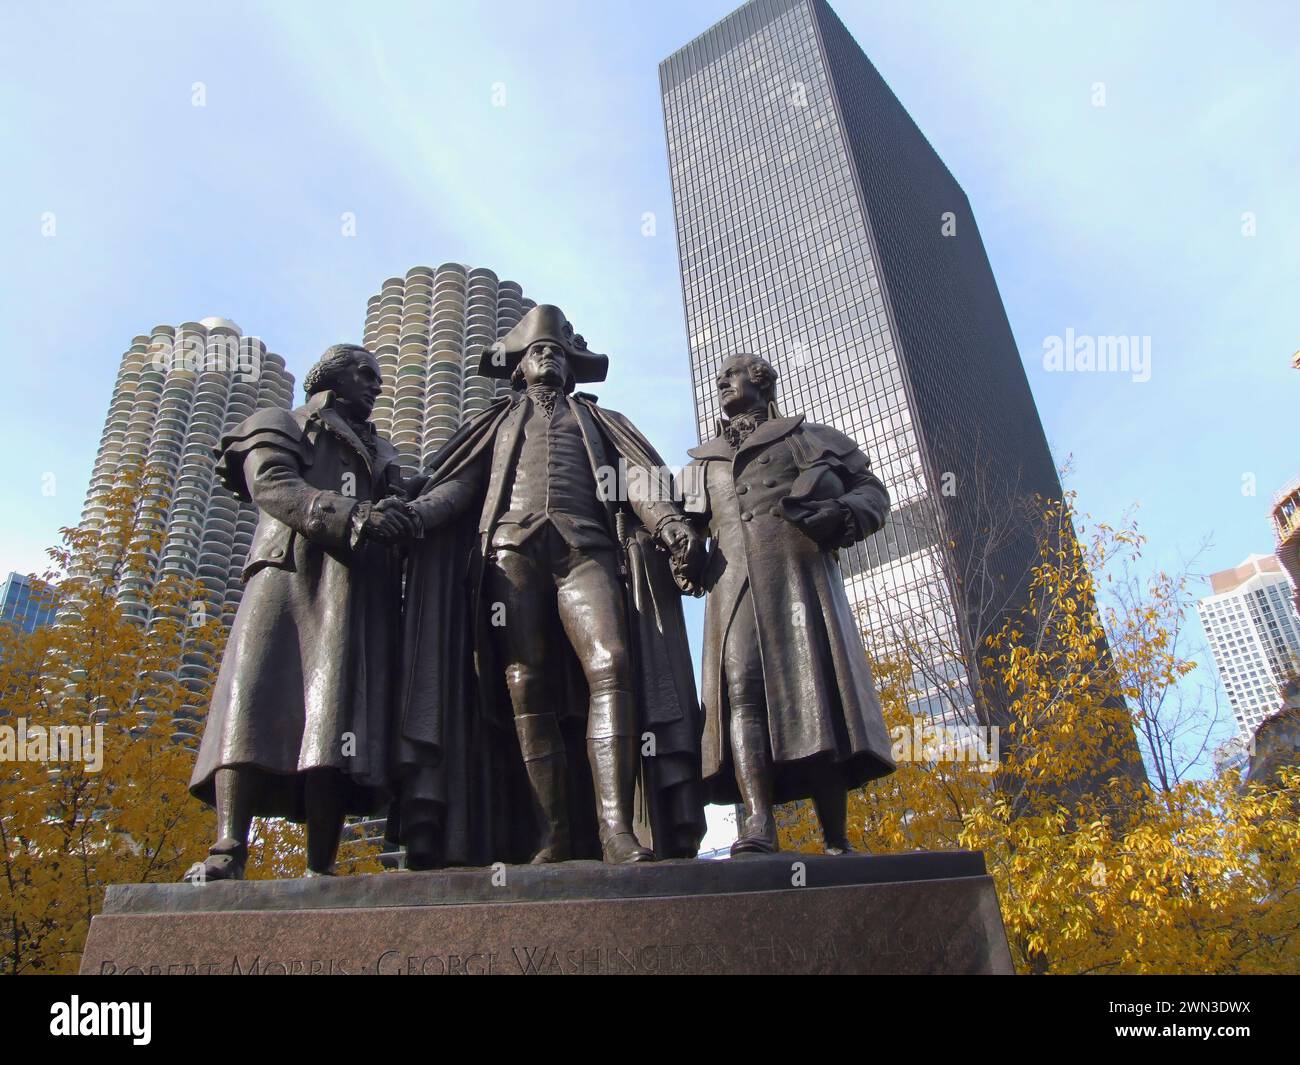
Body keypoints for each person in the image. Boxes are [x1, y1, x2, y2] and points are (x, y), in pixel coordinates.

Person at [185, 344, 415, 880]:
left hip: (357, 588)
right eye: (365, 373)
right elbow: (271, 483)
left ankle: (322, 865)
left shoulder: (382, 450)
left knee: (336, 718)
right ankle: (227, 848)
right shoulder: (281, 421)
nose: (375, 384)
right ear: (329, 376)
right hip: (288, 575)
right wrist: (352, 515)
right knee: (256, 699)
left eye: (378, 377)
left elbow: (408, 498)